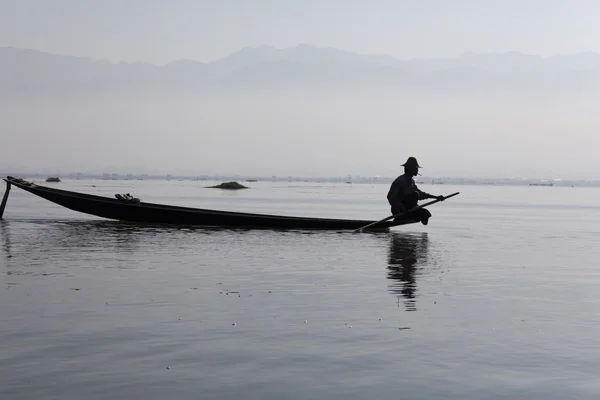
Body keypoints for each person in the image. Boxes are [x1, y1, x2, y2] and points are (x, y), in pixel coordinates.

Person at [387, 157, 444, 225]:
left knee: (425, 213)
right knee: (415, 194)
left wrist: (436, 197)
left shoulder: (411, 181)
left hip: (410, 209)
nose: (417, 170)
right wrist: (402, 207)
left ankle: (408, 216)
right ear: (410, 169)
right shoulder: (400, 181)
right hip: (399, 210)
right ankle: (401, 217)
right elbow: (391, 197)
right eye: (416, 168)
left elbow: (421, 194)